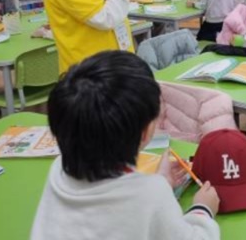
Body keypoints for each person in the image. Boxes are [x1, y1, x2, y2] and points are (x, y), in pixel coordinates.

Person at [31, 50, 220, 240]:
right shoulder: (151, 195)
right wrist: (203, 209)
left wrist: (161, 181)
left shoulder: (59, 169)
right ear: (146, 131)